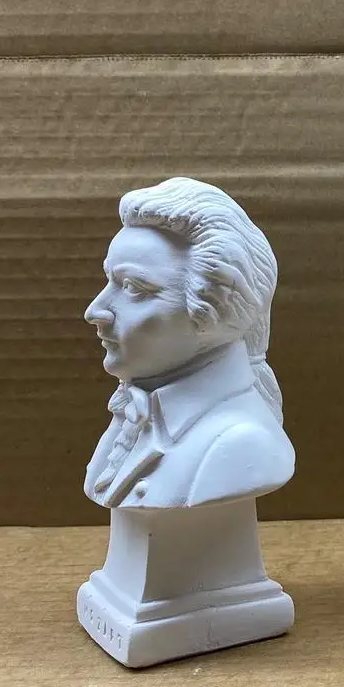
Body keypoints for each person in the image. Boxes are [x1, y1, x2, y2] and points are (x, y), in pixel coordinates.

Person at [83, 176, 294, 509]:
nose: (94, 311)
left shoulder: (240, 443)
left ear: (215, 309)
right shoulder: (133, 414)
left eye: (134, 288)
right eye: (109, 280)